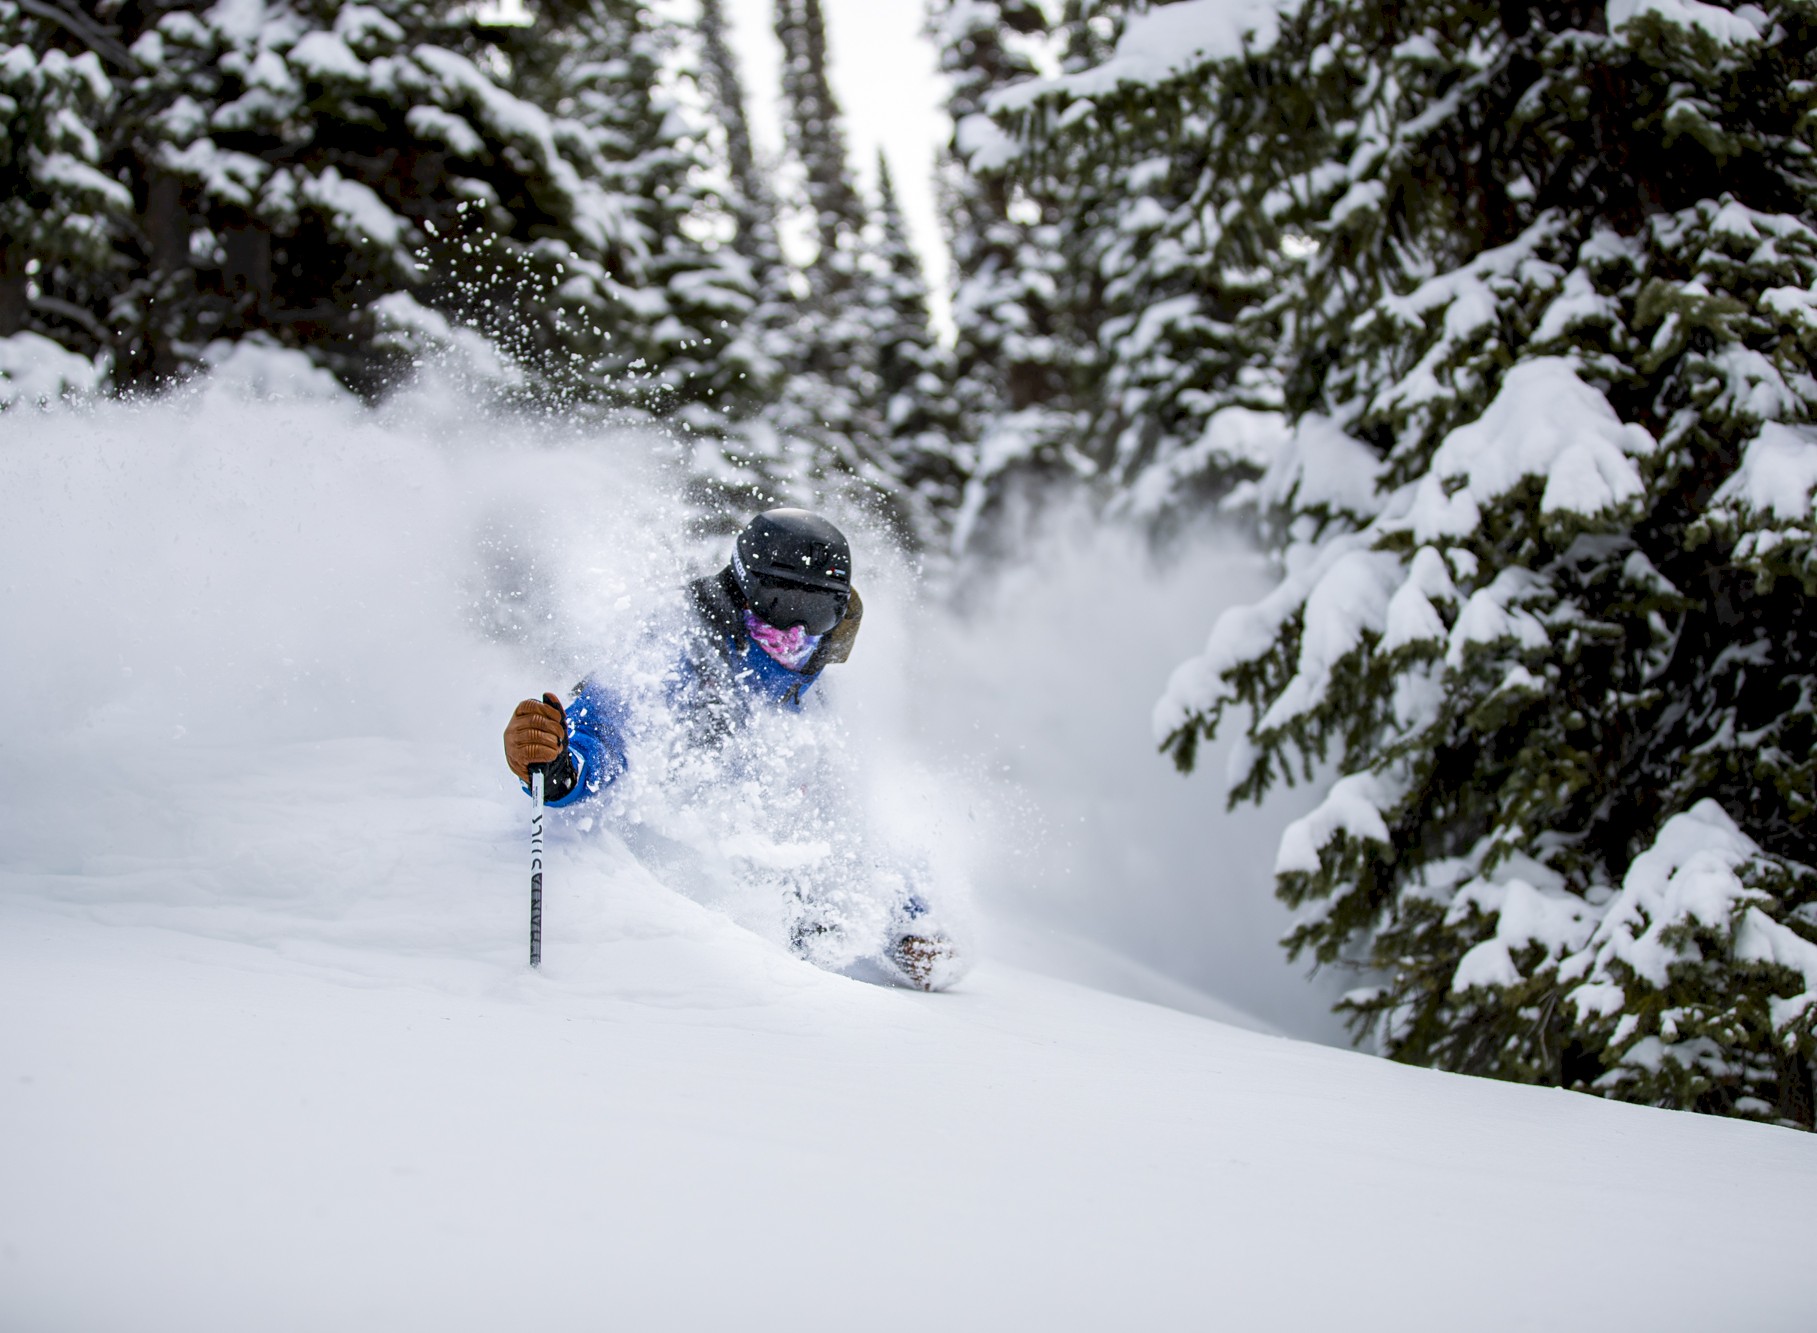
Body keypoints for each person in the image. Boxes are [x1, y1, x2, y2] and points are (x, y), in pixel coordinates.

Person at [501, 508, 959, 990]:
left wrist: (911, 921)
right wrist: (557, 767)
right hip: (678, 920)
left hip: (782, 911)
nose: (797, 631)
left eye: (819, 611)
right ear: (745, 588)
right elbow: (604, 737)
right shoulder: (674, 646)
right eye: (781, 603)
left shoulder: (818, 692)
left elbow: (856, 822)